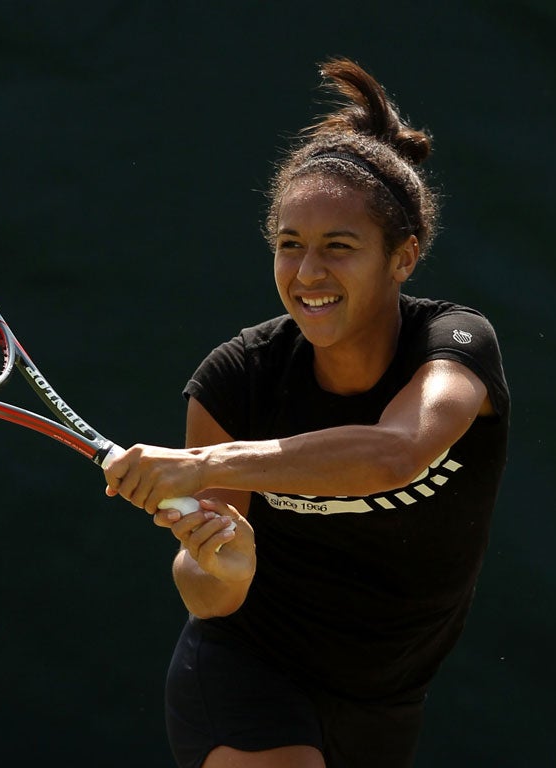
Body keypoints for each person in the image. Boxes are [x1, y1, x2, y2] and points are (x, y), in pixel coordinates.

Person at [104, 57, 509, 768]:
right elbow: (203, 592)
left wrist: (202, 465)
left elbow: (396, 454)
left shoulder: (455, 344)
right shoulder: (235, 380)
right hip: (248, 675)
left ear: (404, 256)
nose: (307, 274)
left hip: (387, 701)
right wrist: (224, 568)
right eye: (289, 247)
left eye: (338, 248)